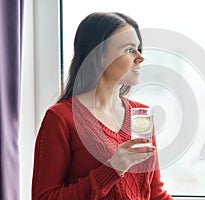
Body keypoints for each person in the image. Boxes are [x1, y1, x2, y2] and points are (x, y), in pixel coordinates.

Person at [32, 12, 173, 200]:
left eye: (139, 48)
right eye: (129, 49)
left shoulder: (141, 115)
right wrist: (112, 169)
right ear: (98, 56)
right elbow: (44, 198)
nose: (140, 57)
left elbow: (155, 194)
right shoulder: (61, 118)